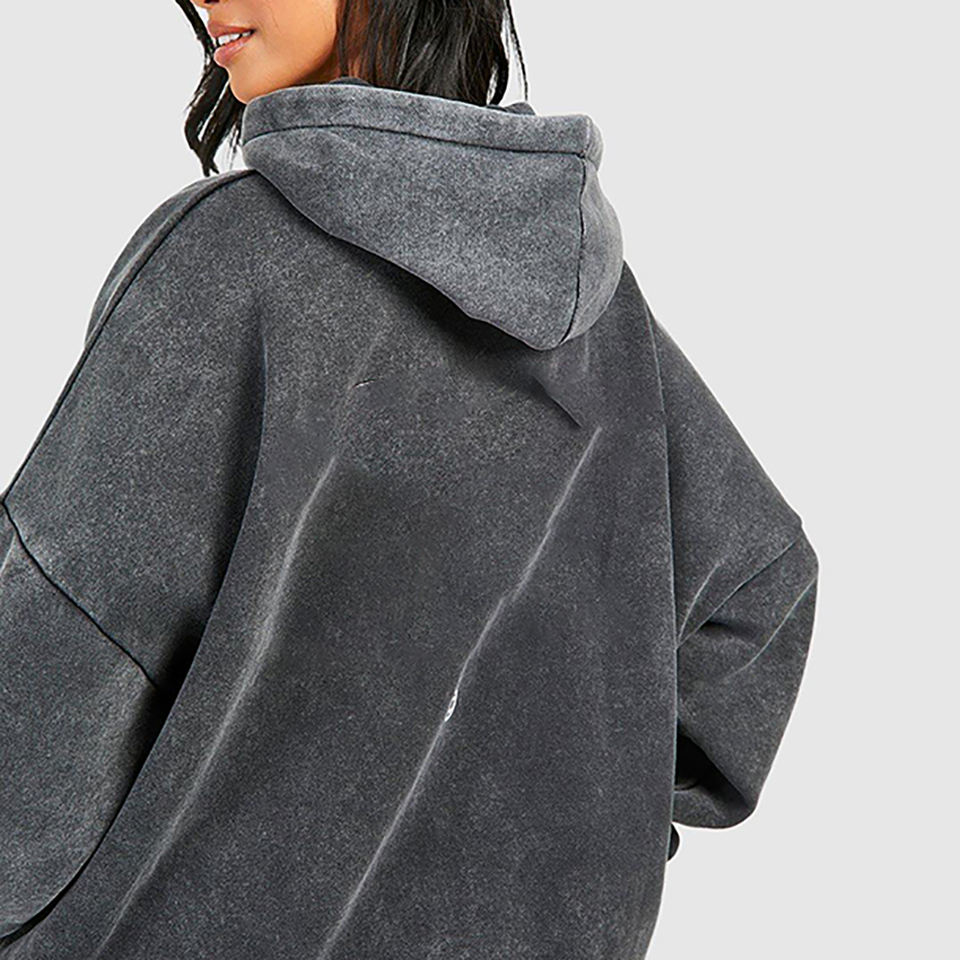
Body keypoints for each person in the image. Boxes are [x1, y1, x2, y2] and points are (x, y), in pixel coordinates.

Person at [0, 1, 820, 957]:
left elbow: (56, 675)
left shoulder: (228, 260)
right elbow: (758, 600)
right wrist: (585, 826)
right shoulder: (599, 317)